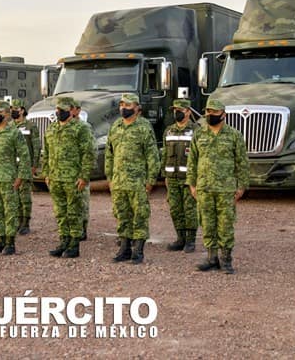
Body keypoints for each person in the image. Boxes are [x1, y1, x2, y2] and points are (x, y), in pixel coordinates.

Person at [186, 99, 249, 274]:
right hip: (204, 187)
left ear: (223, 115)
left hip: (226, 189)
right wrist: (192, 184)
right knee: (207, 224)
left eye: (214, 113)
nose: (210, 115)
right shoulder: (199, 134)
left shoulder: (234, 135)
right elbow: (192, 161)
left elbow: (242, 163)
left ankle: (226, 259)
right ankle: (211, 258)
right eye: (208, 112)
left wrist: (241, 186)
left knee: (225, 225)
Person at [105, 93, 159, 265]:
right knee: (122, 215)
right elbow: (109, 153)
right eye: (122, 104)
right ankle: (125, 249)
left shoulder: (144, 127)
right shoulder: (116, 126)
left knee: (140, 216)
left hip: (138, 182)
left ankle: (138, 251)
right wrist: (110, 177)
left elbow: (152, 156)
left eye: (128, 105)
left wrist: (150, 180)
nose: (124, 108)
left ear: (137, 108)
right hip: (119, 181)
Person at [43, 97, 94, 258]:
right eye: (58, 109)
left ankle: (74, 245)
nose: (59, 112)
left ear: (72, 111)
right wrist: (46, 174)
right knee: (60, 213)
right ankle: (63, 241)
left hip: (73, 179)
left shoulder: (80, 128)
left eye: (63, 110)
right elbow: (47, 153)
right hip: (56, 178)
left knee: (74, 212)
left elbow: (88, 153)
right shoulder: (51, 128)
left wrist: (84, 176)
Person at [0, 100, 31, 255]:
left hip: (8, 179)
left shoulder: (14, 133)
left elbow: (24, 157)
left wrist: (20, 177)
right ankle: (0, 239)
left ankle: (10, 242)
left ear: (7, 115)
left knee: (10, 211)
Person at [162, 99, 199, 253]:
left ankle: (190, 241)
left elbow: (199, 157)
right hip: (172, 178)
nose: (176, 112)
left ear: (188, 112)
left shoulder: (197, 131)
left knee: (189, 210)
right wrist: (164, 175)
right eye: (174, 109)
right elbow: (164, 154)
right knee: (175, 210)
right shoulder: (169, 131)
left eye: (180, 110)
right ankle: (180, 238)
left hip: (189, 179)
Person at [11, 99, 40, 234]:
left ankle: (26, 222)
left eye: (15, 108)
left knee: (25, 196)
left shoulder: (30, 125)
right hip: (12, 166)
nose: (12, 111)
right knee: (14, 195)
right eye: (11, 109)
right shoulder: (10, 126)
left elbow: (36, 146)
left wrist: (34, 164)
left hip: (25, 165)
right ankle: (17, 221)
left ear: (22, 110)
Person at [70, 99, 93, 240]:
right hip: (66, 171)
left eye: (72, 108)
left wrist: (85, 172)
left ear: (78, 110)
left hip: (80, 170)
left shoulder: (85, 127)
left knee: (82, 201)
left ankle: (82, 229)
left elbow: (91, 150)